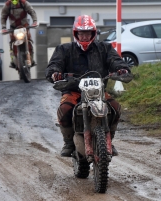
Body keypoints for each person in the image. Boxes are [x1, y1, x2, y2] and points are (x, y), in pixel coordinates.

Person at [45, 15, 131, 157]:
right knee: (65, 109)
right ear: (76, 34)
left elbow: (115, 60)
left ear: (93, 34)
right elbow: (54, 65)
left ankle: (109, 139)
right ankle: (68, 142)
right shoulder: (64, 49)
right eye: (81, 33)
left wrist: (121, 69)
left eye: (87, 33)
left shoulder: (104, 48)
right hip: (73, 91)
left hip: (98, 92)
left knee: (115, 108)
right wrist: (55, 73)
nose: (84, 36)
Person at [0, 0, 38, 69]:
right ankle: (13, 61)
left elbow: (32, 11)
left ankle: (31, 59)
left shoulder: (24, 3)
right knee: (11, 43)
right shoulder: (7, 5)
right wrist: (3, 27)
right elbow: (3, 16)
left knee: (29, 41)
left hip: (24, 26)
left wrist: (35, 21)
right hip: (13, 28)